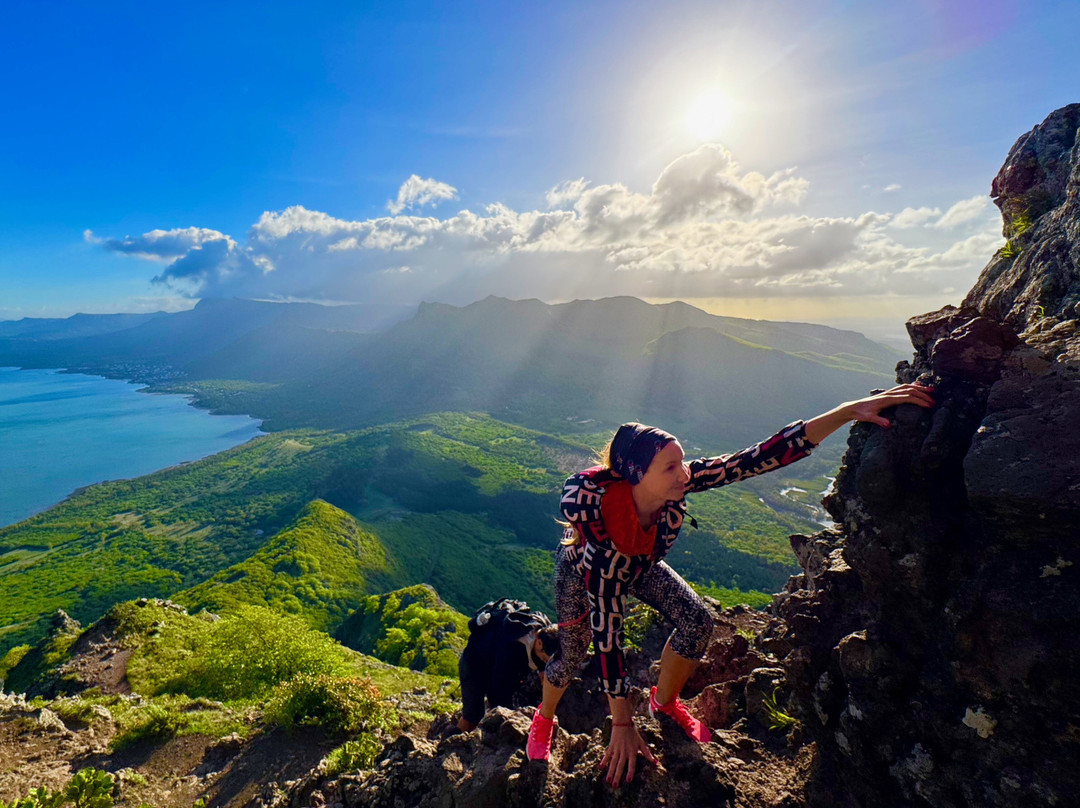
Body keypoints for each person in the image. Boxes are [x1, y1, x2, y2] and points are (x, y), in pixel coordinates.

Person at [527, 384, 936, 786]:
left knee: (696, 622)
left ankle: (663, 702)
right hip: (587, 575)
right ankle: (544, 717)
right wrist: (620, 723)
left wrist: (847, 411)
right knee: (573, 652)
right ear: (636, 477)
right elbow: (608, 637)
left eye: (682, 461)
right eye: (670, 467)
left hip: (640, 561)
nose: (684, 473)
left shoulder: (673, 487)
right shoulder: (602, 546)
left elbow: (757, 457)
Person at [457, 598, 561, 732]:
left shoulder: (543, 628)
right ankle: (449, 746)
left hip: (491, 660)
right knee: (472, 716)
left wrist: (542, 668)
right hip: (474, 663)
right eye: (545, 660)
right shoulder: (513, 646)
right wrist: (505, 716)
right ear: (539, 643)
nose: (546, 664)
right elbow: (498, 686)